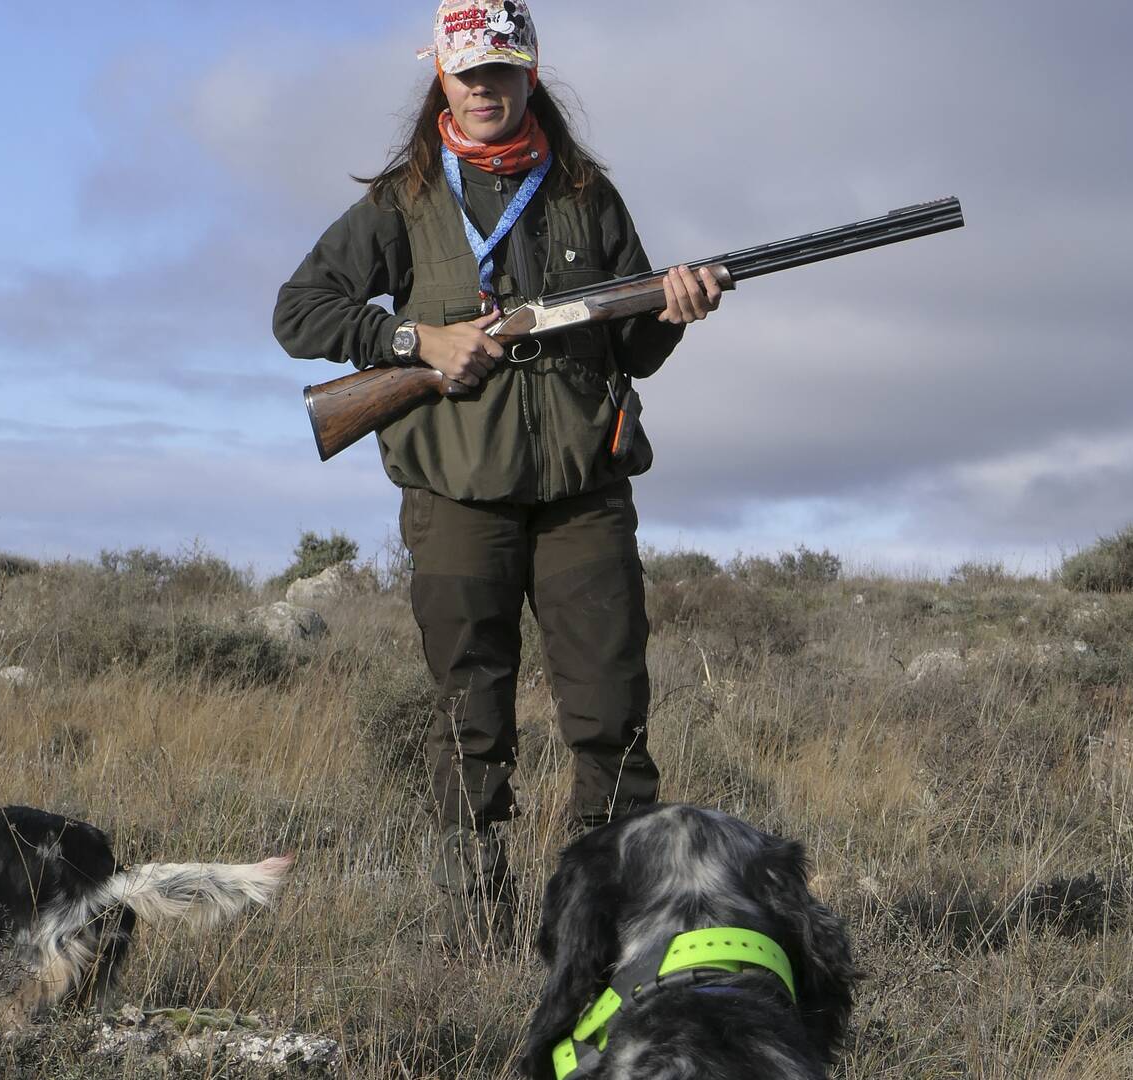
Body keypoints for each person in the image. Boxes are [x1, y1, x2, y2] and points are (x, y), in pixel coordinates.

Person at [273, 0, 721, 950]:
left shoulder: (587, 194)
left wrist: (673, 310)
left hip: (582, 498)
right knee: (469, 720)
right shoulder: (402, 203)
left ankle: (603, 929)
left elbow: (632, 352)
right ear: (441, 73)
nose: (486, 88)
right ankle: (476, 932)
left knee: (612, 720)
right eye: (469, 71)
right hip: (454, 498)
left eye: (503, 71)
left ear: (530, 74)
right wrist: (412, 337)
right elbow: (301, 313)